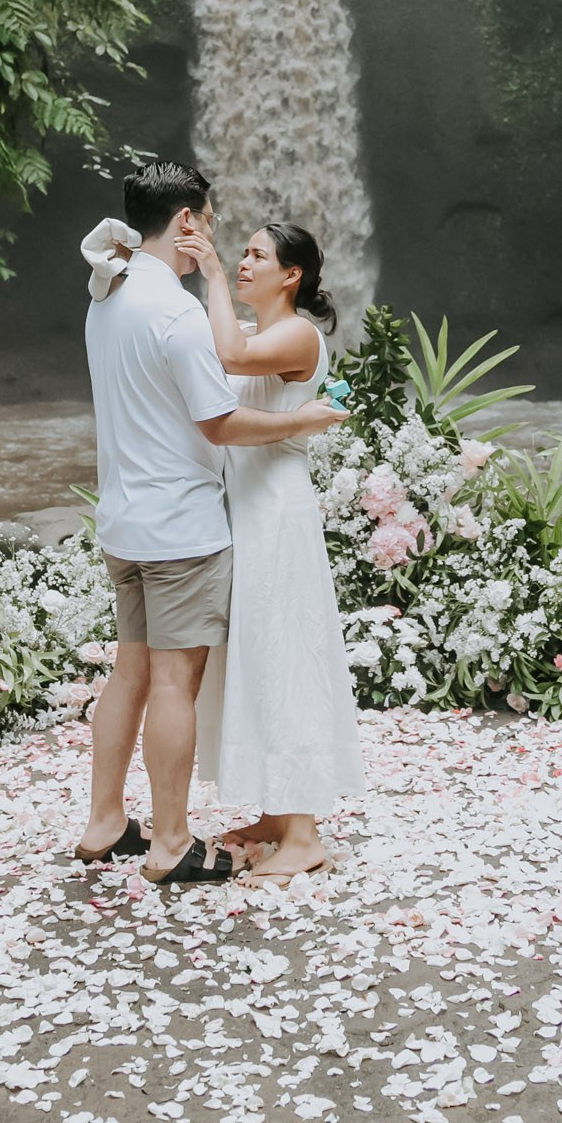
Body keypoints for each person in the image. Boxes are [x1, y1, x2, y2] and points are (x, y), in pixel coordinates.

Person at [75, 161, 347, 886]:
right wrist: (303, 423)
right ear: (188, 222)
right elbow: (221, 421)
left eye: (258, 252)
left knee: (131, 671)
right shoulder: (175, 311)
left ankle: (106, 819)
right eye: (218, 224)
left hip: (126, 517)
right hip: (182, 525)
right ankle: (169, 841)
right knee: (172, 681)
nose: (232, 247)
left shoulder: (108, 294)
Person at [184, 219, 367, 887]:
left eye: (257, 254)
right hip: (250, 513)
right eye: (241, 252)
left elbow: (226, 355)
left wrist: (205, 271)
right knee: (261, 656)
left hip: (280, 515)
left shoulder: (297, 334)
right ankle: (275, 808)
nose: (242, 261)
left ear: (291, 275)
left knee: (287, 656)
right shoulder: (265, 334)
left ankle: (306, 833)